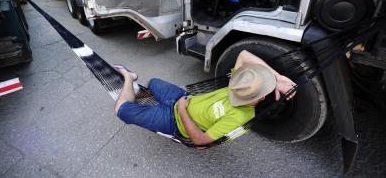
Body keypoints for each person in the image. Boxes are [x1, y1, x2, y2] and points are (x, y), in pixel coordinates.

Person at [114, 50, 296, 146]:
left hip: (174, 121)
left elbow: (200, 140)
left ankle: (129, 78)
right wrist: (278, 77)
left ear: (261, 97)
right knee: (153, 82)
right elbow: (244, 55)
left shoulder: (241, 116)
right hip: (183, 97)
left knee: (121, 110)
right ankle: (139, 94)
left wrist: (183, 110)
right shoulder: (238, 85)